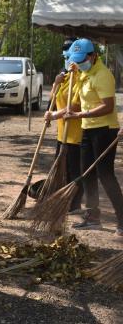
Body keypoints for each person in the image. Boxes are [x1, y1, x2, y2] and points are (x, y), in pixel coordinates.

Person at [64, 38, 123, 236]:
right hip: (87, 129)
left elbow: (107, 106)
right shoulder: (82, 73)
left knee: (105, 174)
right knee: (86, 173)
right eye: (77, 60)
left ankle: (122, 220)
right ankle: (93, 216)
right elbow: (76, 102)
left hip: (105, 129)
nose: (80, 63)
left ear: (93, 55)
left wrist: (81, 114)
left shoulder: (103, 75)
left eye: (83, 59)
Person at [44, 37, 84, 213]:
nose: (67, 59)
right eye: (65, 54)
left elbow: (75, 106)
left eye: (69, 53)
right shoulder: (64, 74)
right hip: (62, 131)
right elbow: (54, 98)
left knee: (74, 169)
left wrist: (54, 115)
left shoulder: (81, 76)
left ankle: (75, 203)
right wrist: (56, 83)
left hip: (76, 132)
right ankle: (60, 198)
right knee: (60, 166)